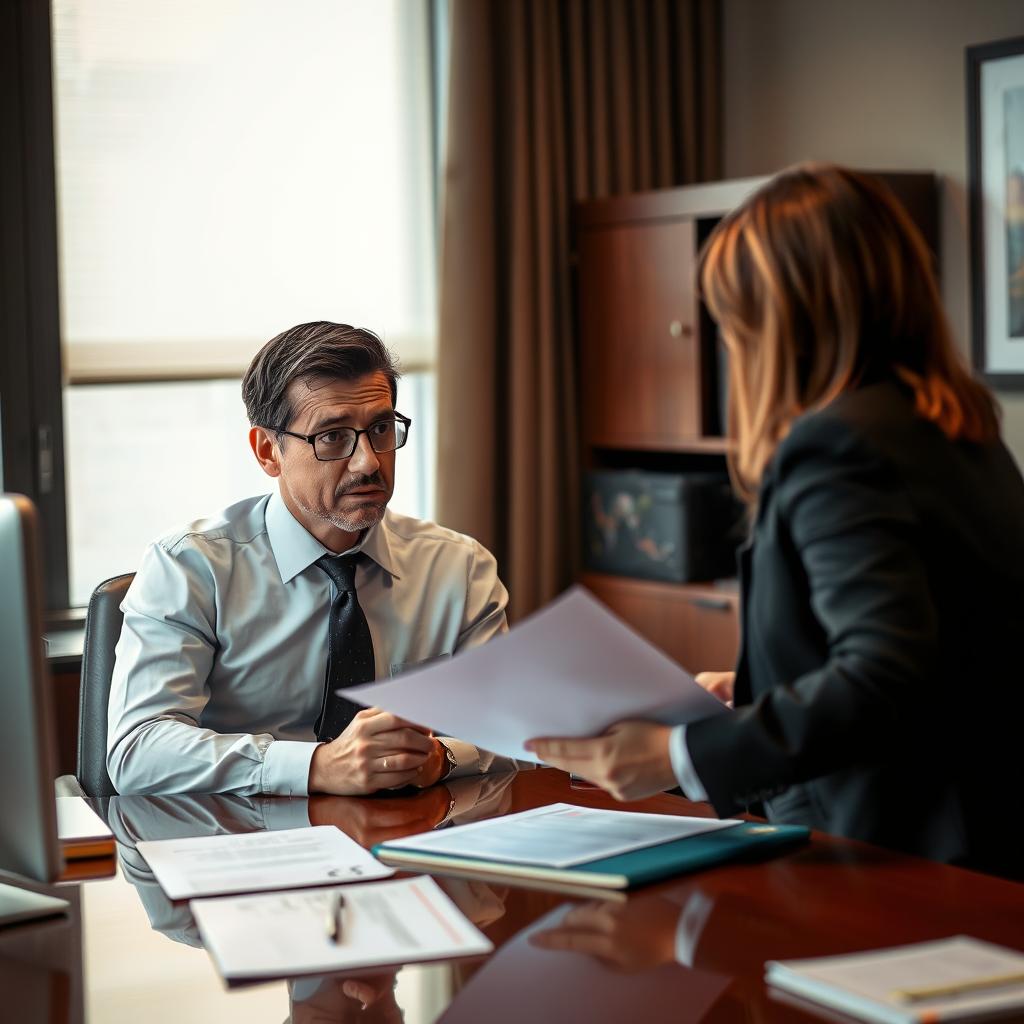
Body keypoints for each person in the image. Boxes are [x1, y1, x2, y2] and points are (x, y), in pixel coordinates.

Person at [528, 164, 1024, 879]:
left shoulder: (836, 446)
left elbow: (884, 672)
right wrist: (762, 682)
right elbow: (945, 642)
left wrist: (675, 754)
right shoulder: (958, 427)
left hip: (890, 855)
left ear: (788, 320)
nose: (730, 348)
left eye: (735, 322)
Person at [108, 322, 510, 796]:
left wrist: (441, 758)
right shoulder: (191, 568)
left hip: (410, 841)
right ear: (267, 451)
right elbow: (138, 750)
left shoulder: (458, 568)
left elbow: (507, 727)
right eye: (333, 436)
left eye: (381, 429)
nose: (368, 462)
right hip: (247, 847)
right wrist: (317, 766)